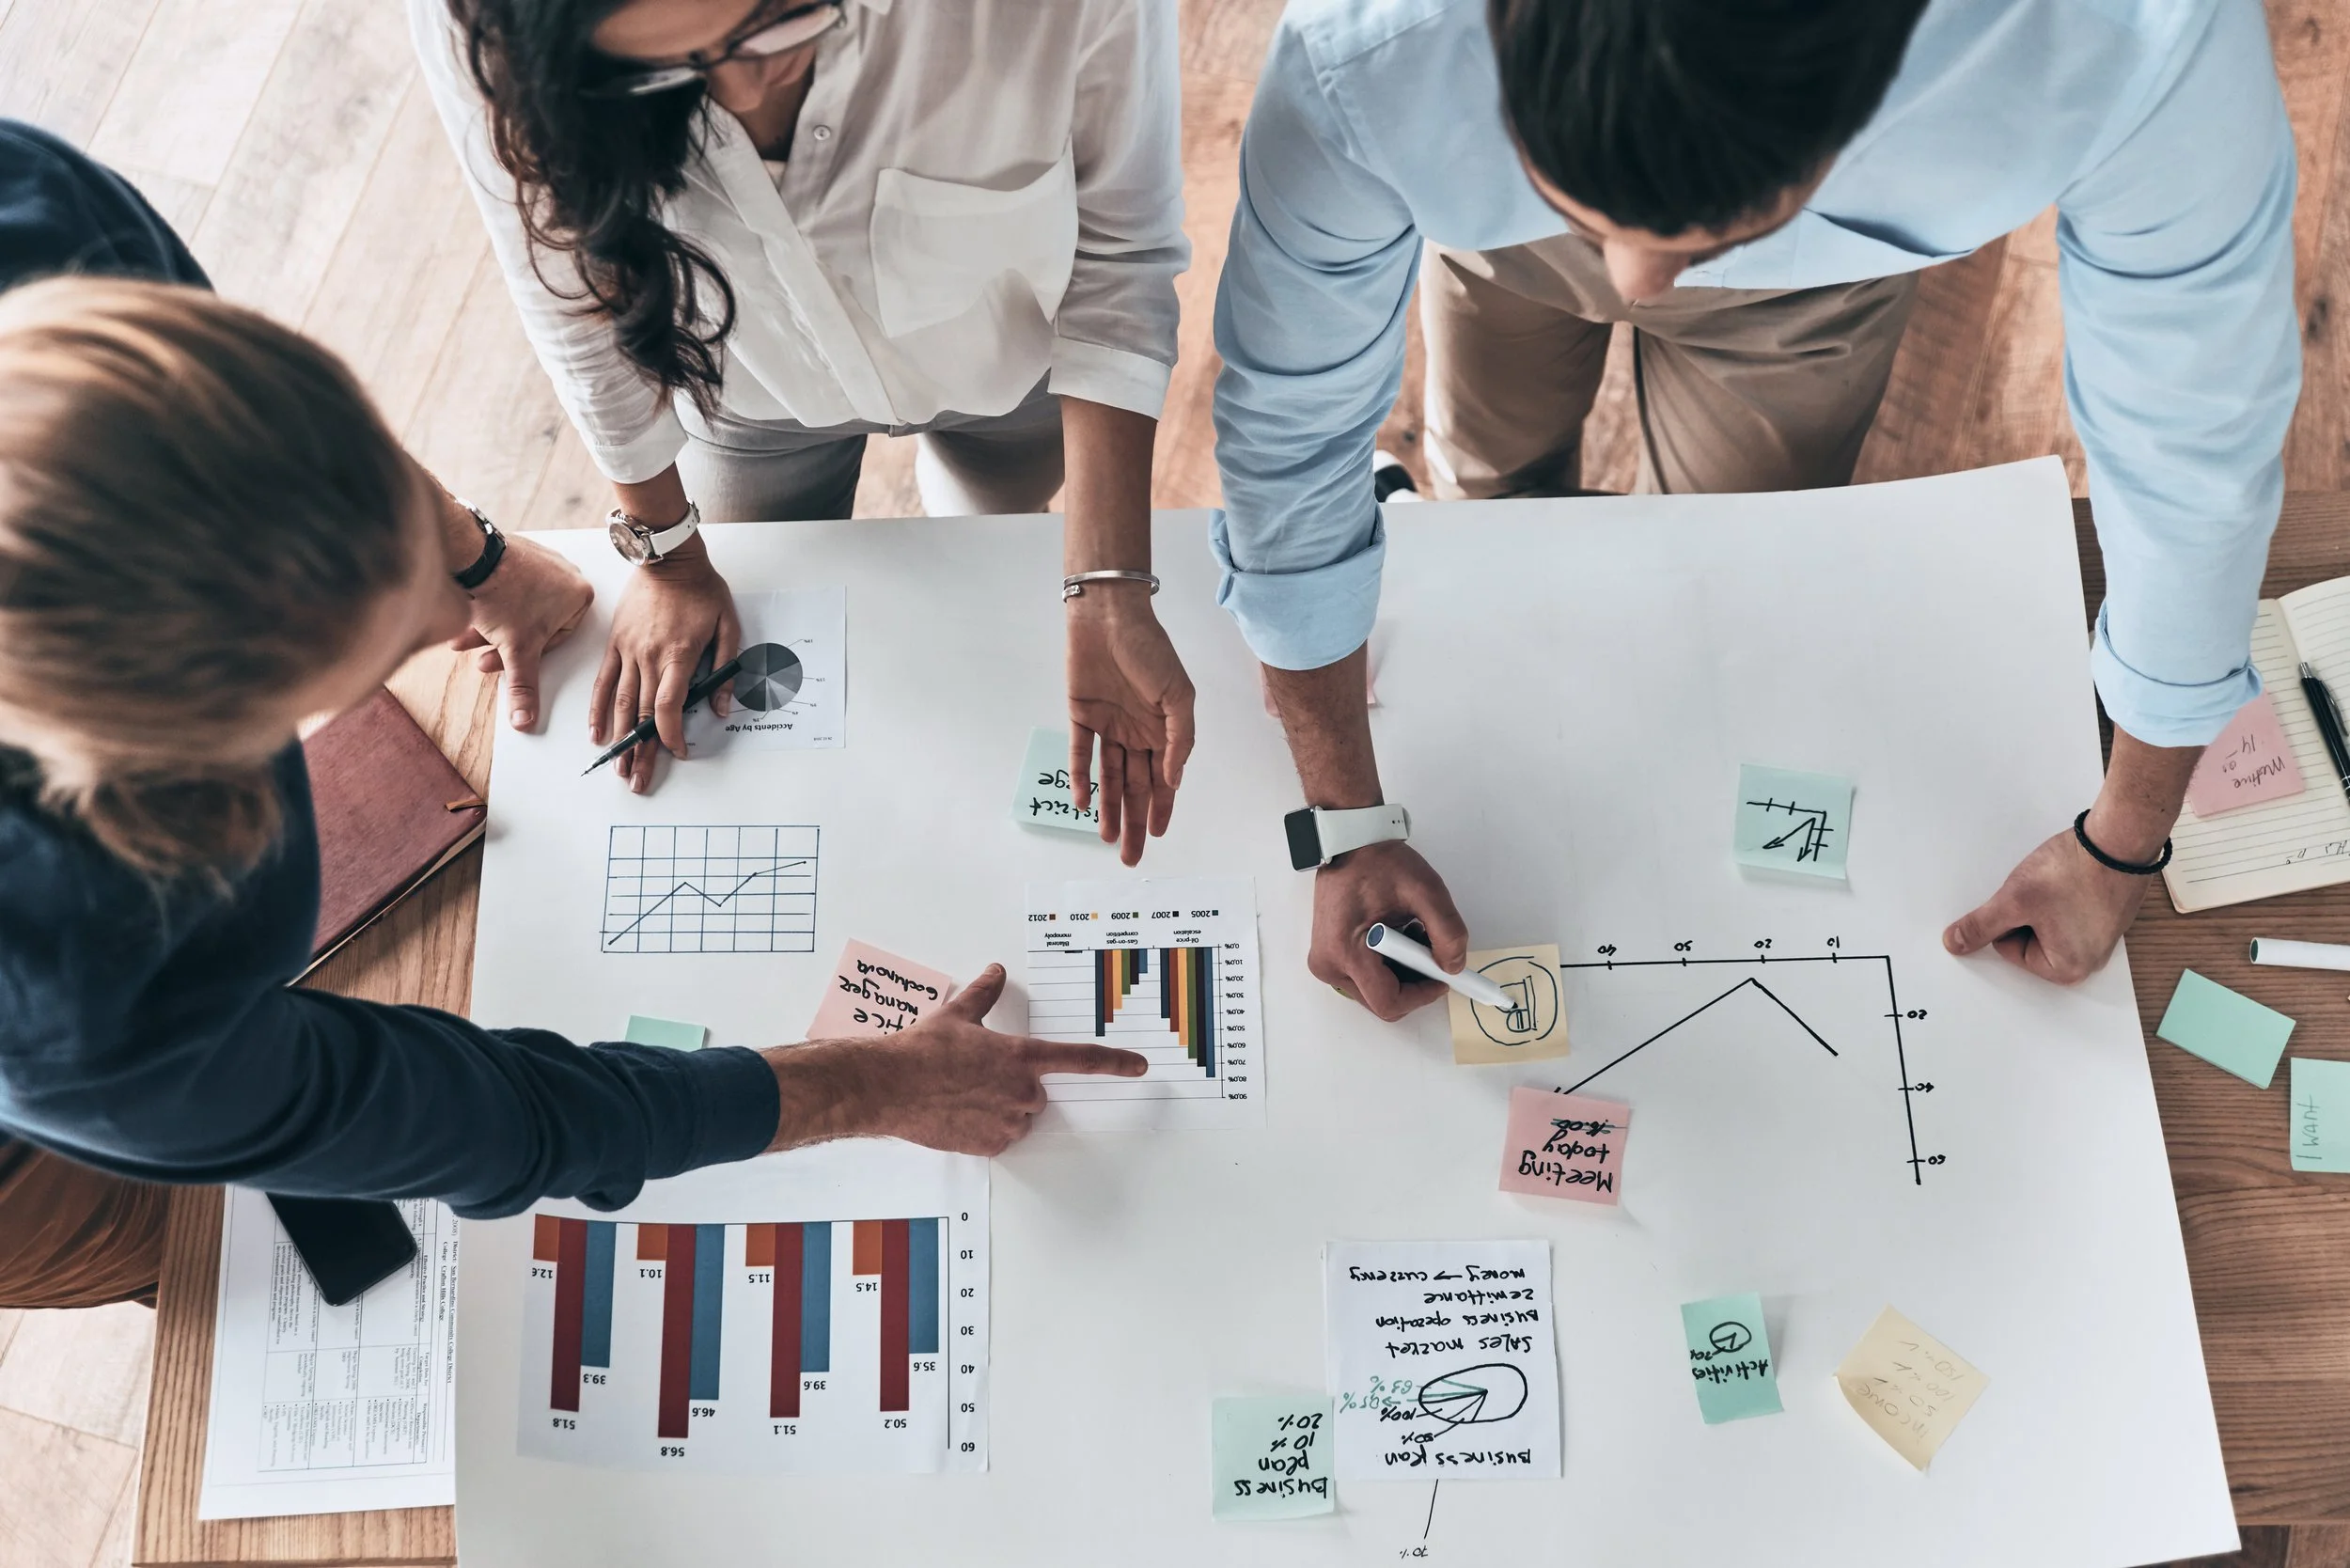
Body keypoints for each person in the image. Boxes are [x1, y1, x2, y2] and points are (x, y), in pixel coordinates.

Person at [0, 260, 1145, 1311]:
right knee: (212, 1271)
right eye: (388, 646)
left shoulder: (56, 244)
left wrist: (474, 553)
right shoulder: (90, 1032)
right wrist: (875, 1088)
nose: (449, 620)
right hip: (44, 1170)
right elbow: (519, 1122)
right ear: (190, 758)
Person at [1212, 0, 2297, 1011]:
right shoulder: (1366, 50)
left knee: (1732, 569)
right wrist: (1342, 824)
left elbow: (2193, 464)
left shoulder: (2135, 35)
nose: (1638, 280)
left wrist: (2124, 839)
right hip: (1493, 252)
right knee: (1485, 489)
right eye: (1587, 207)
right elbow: (1289, 442)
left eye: (1699, 237)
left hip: (1812, 296)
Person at [415, 0, 1196, 864]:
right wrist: (669, 556)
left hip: (1018, 361)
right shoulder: (481, 25)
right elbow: (566, 286)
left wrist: (1109, 585)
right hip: (743, 389)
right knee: (767, 607)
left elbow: (1121, 259)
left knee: (993, 518)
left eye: (779, 19)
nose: (745, 89)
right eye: (665, 69)